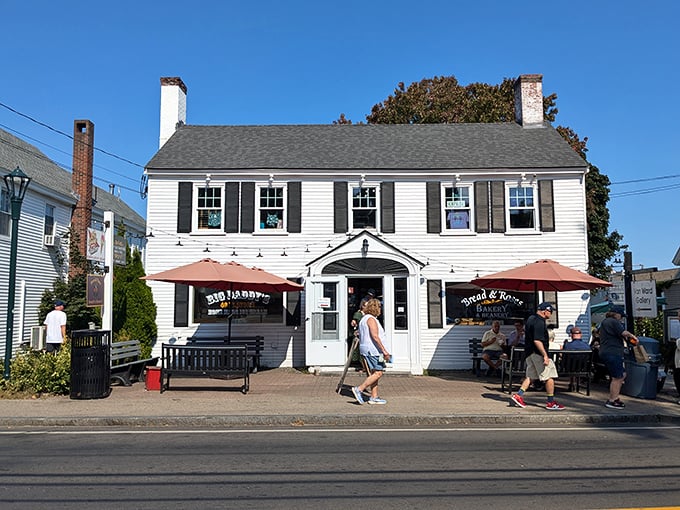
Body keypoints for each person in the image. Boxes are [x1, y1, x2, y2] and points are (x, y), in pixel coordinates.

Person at [510, 302, 565, 410]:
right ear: (546, 311)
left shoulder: (530, 319)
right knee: (549, 376)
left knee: (531, 376)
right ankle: (550, 402)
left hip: (529, 353)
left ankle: (518, 395)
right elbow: (537, 340)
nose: (551, 314)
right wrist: (545, 355)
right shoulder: (540, 322)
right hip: (538, 353)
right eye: (551, 311)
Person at [598, 305, 638, 410]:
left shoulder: (605, 323)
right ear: (616, 314)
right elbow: (624, 333)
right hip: (612, 352)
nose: (621, 318)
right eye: (621, 316)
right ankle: (612, 400)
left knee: (622, 374)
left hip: (607, 352)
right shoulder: (613, 322)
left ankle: (615, 397)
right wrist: (633, 337)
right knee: (617, 377)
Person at [351, 298, 391, 405]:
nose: (380, 309)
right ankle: (359, 389)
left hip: (367, 349)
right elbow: (375, 336)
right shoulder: (371, 320)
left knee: (374, 373)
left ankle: (374, 396)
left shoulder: (364, 319)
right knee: (378, 372)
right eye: (379, 307)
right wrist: (384, 351)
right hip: (374, 351)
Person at [562, 326, 591, 391]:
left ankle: (572, 383)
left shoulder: (567, 345)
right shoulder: (587, 346)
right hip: (583, 368)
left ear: (571, 335)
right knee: (577, 365)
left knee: (570, 364)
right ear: (581, 335)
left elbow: (564, 357)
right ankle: (575, 383)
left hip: (569, 368)